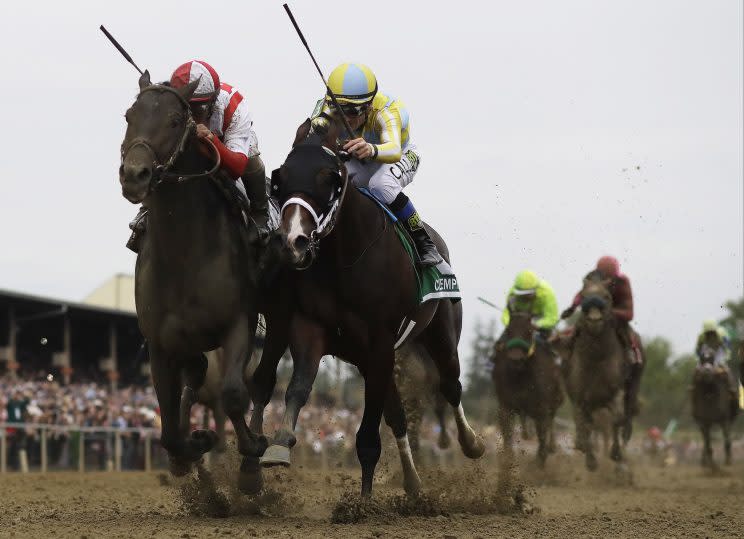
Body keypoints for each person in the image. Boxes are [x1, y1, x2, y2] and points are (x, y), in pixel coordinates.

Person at [127, 60, 268, 252]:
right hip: (185, 141)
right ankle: (147, 208)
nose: (192, 114)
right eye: (188, 107)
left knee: (252, 162)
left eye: (198, 108)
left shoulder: (234, 106)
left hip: (225, 140)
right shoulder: (169, 97)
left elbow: (237, 168)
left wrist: (212, 139)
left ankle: (261, 214)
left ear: (213, 101)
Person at [311, 62, 442, 266]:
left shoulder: (387, 111)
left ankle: (424, 242)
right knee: (335, 181)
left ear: (368, 106)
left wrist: (371, 149)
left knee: (381, 184)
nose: (345, 117)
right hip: (360, 158)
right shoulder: (324, 108)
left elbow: (393, 150)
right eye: (340, 109)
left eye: (352, 111)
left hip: (400, 155)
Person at [561, 255, 641, 364]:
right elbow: (581, 294)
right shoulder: (594, 280)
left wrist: (610, 312)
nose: (606, 281)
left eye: (609, 279)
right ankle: (566, 355)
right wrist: (573, 306)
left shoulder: (623, 283)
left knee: (628, 333)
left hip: (616, 316)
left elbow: (629, 314)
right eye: (604, 278)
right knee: (578, 325)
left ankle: (633, 354)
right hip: (597, 312)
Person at [500, 269, 559, 341]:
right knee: (500, 344)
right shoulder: (513, 293)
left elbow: (552, 318)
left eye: (528, 294)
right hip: (517, 324)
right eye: (522, 294)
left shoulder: (547, 293)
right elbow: (505, 315)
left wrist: (536, 324)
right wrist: (512, 324)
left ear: (535, 289)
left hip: (540, 323)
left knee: (549, 345)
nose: (525, 297)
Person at [695, 319, 738, 404]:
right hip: (707, 353)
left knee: (726, 370)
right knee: (696, 370)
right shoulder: (701, 337)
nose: (710, 334)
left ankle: (732, 389)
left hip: (720, 352)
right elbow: (698, 350)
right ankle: (693, 388)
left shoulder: (722, 334)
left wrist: (725, 358)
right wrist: (700, 360)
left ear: (715, 330)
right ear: (704, 332)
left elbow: (728, 347)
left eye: (712, 332)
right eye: (708, 332)